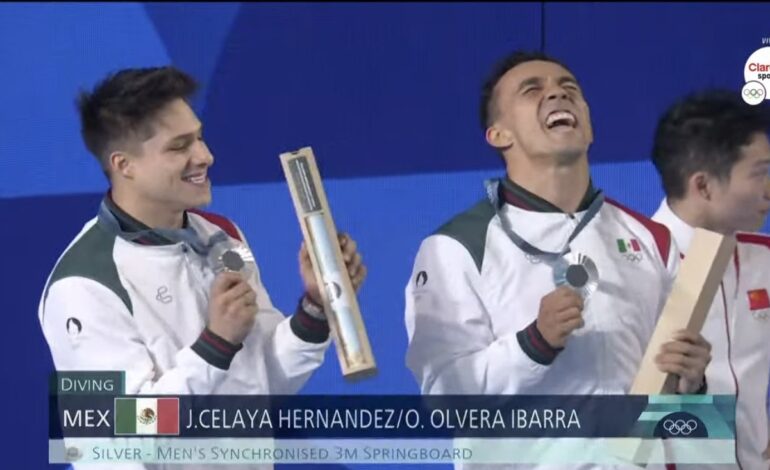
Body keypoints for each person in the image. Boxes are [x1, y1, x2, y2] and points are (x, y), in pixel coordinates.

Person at [38, 66, 367, 469]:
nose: (205, 156)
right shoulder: (82, 285)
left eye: (199, 137)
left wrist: (316, 307)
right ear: (125, 165)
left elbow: (261, 384)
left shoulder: (224, 237)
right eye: (180, 147)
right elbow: (126, 434)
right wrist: (215, 345)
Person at [404, 50, 711, 469]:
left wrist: (694, 388)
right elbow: (444, 400)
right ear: (498, 134)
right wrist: (534, 344)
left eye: (570, 89)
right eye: (533, 90)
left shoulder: (653, 239)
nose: (557, 95)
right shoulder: (456, 246)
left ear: (589, 127)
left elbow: (686, 421)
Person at [651, 89, 770, 469]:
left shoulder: (764, 257)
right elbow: (617, 430)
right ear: (703, 186)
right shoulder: (634, 268)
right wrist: (693, 395)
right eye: (761, 173)